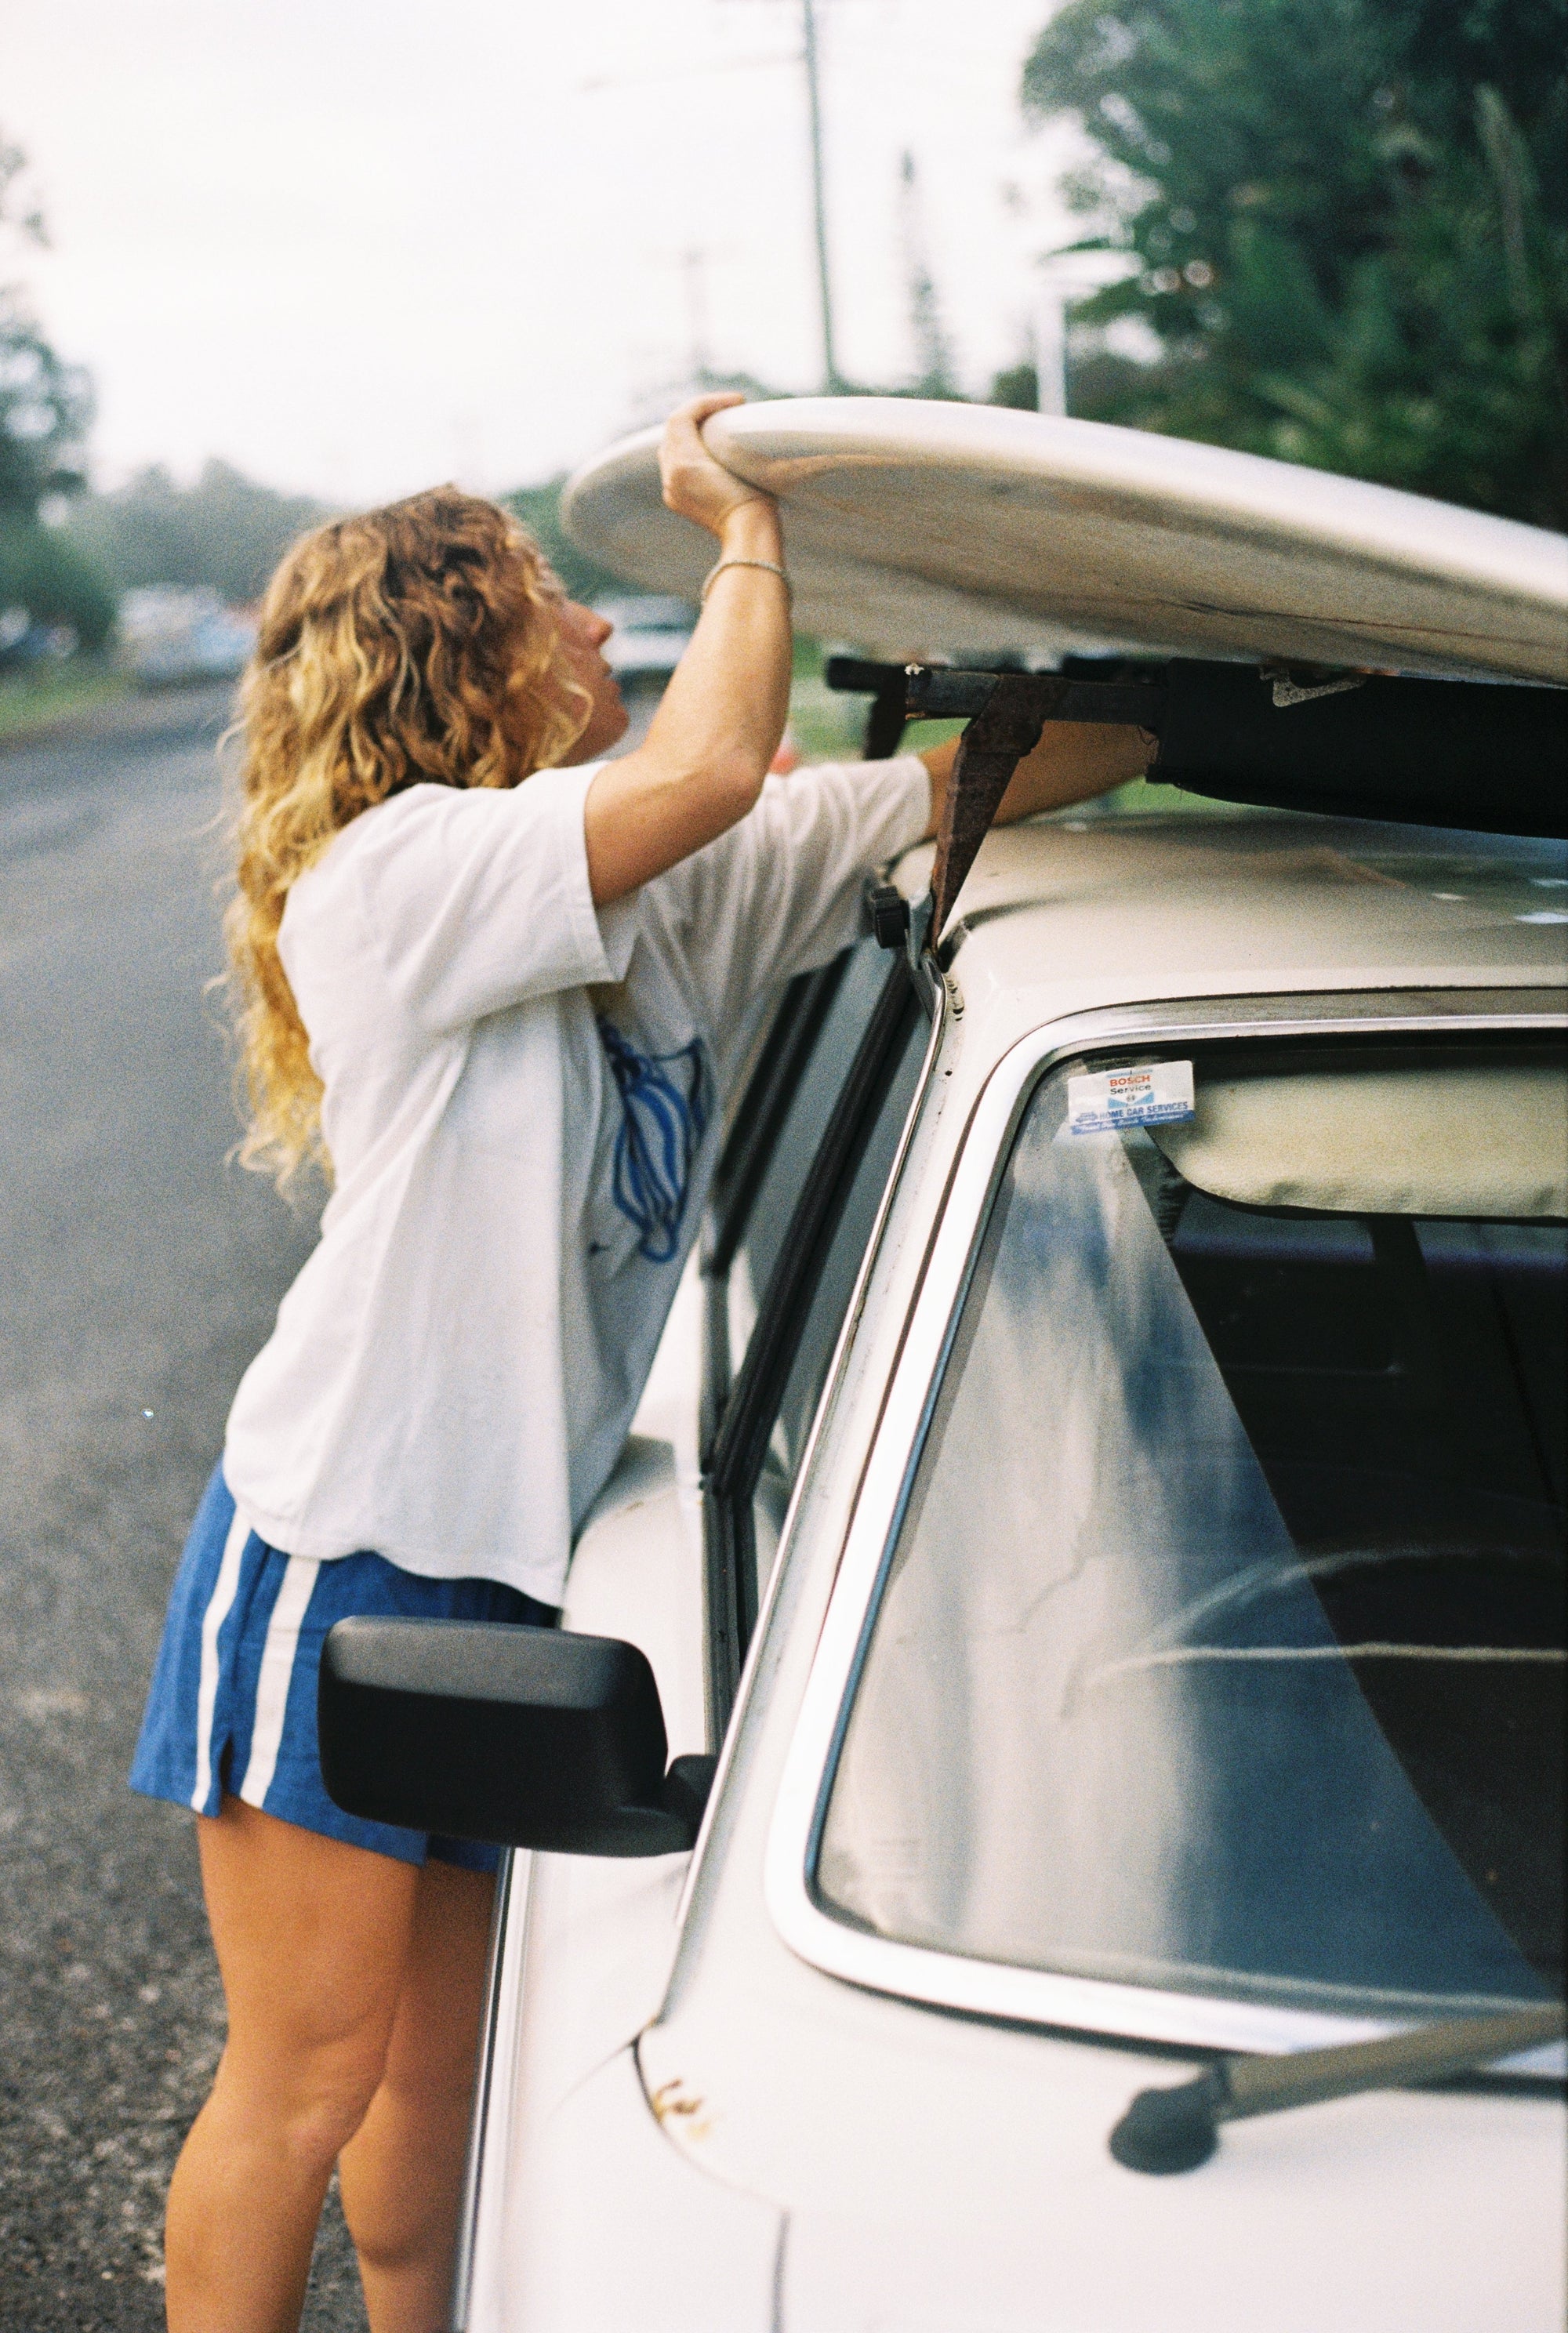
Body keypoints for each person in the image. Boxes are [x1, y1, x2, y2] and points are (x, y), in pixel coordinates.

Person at [129, 391, 1152, 2333]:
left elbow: (955, 788)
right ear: (459, 657)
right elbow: (695, 771)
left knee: (437, 2092)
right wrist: (739, 527)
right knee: (301, 2085)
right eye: (560, 606)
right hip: (342, 1560)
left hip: (507, 1583)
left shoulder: (656, 888)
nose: (608, 631)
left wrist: (1212, 707)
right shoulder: (403, 874)